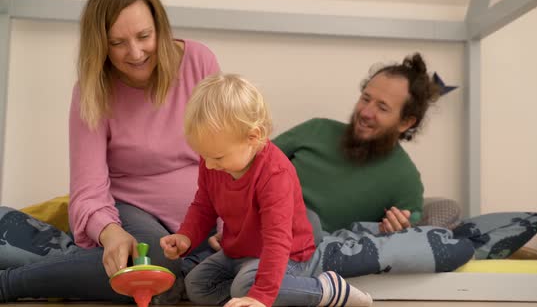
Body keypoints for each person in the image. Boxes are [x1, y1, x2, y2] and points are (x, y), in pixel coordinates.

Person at [0, 0, 219, 302]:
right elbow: (87, 190)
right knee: (153, 267)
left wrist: (234, 218)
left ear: (159, 26)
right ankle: (9, 283)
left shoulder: (198, 61)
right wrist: (111, 232)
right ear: (100, 44)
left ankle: (63, 266)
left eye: (144, 36)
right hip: (128, 210)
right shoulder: (91, 91)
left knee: (288, 232)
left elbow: (226, 150)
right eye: (118, 43)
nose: (136, 52)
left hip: (202, 215)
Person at [160, 73, 373, 307]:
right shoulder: (213, 161)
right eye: (204, 156)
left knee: (246, 287)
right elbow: (203, 206)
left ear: (254, 137)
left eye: (217, 157)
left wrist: (260, 296)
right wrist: (185, 236)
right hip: (238, 253)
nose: (209, 165)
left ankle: (326, 290)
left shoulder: (274, 174)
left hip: (287, 255)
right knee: (197, 287)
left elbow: (277, 240)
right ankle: (253, 295)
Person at [273, 53, 440, 238]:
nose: (366, 112)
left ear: (405, 123)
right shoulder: (316, 130)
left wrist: (398, 231)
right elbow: (252, 164)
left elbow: (410, 235)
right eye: (366, 99)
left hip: (301, 248)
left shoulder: (405, 180)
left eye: (382, 108)